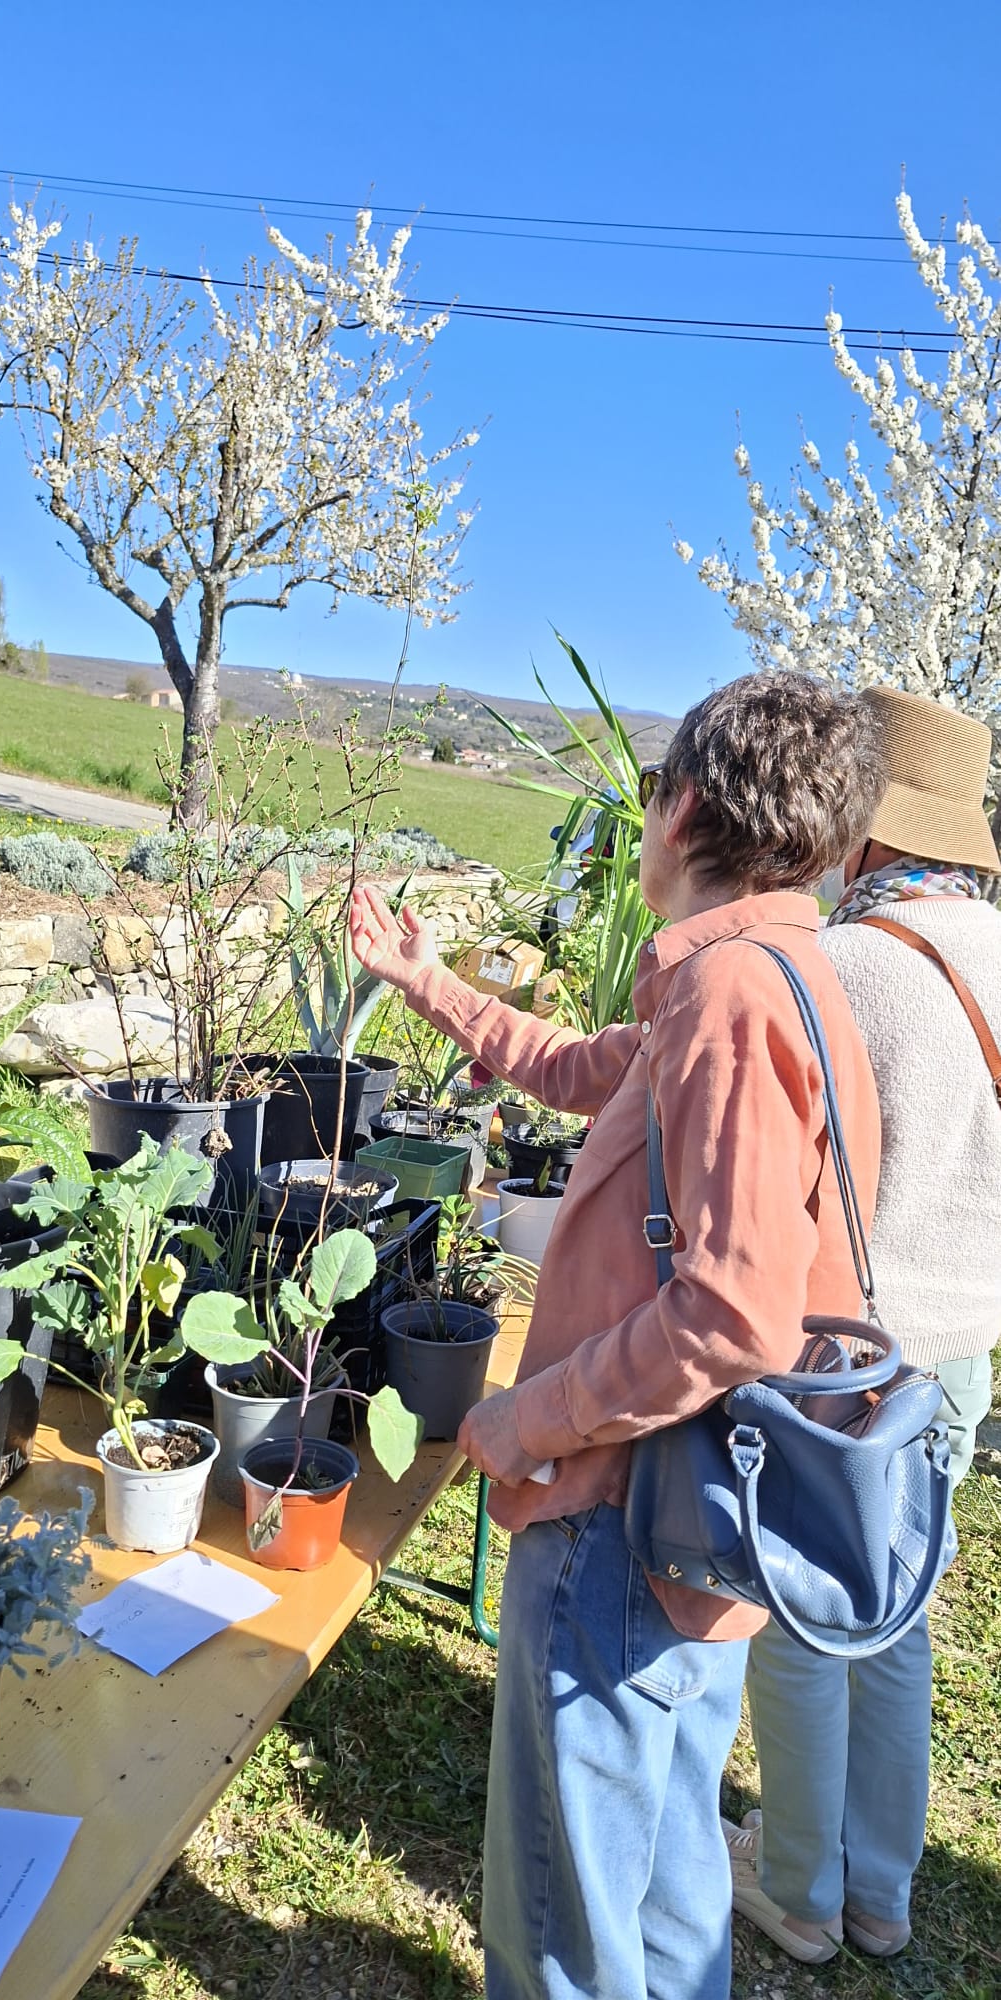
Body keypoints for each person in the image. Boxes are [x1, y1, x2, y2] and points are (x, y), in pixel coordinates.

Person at [350, 671, 886, 2000]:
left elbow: (733, 1312)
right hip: (693, 1519)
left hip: (622, 1514)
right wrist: (429, 984)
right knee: (659, 1866)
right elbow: (587, 1069)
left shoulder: (730, 995)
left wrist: (518, 1420)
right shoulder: (766, 973)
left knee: (564, 1908)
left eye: (649, 793)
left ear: (682, 806)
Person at [725, 687, 1001, 1965]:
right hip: (960, 1352)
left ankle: (797, 1890)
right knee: (896, 1617)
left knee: (801, 1614)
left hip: (846, 1353)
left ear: (868, 827)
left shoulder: (847, 961)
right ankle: (881, 1893)